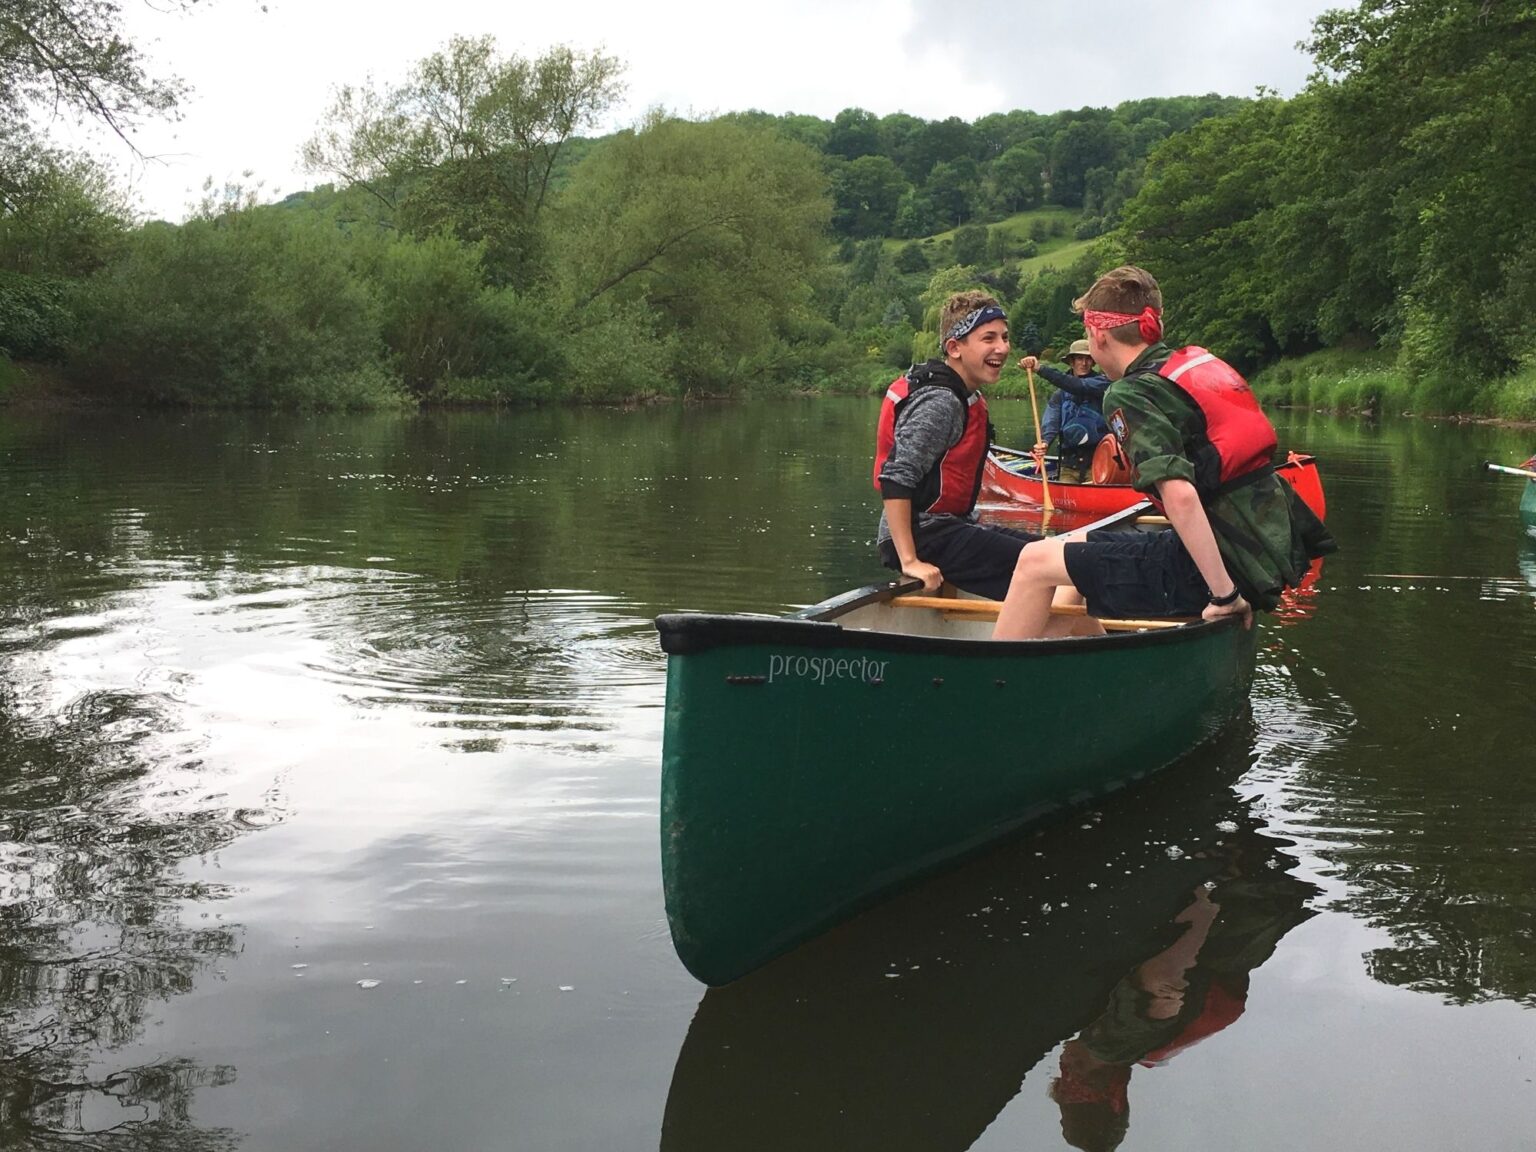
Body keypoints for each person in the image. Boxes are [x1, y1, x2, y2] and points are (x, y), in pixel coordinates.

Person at [992, 266, 1336, 640]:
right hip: (1260, 550)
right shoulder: (1184, 366)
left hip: (1224, 569)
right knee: (1068, 566)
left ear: (1098, 335)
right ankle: (1094, 663)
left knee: (1032, 562)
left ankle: (994, 688)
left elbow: (1181, 496)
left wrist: (1225, 596)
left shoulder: (1128, 393)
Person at [874, 290, 1039, 599]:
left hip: (949, 528)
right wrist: (910, 561)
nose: (1002, 348)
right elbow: (895, 478)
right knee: (1048, 566)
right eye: (989, 338)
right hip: (924, 535)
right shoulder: (942, 401)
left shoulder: (968, 395)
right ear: (954, 347)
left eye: (1005, 337)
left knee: (1052, 554)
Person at [1023, 339, 1110, 482]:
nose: (1084, 363)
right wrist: (1044, 442)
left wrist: (1040, 369)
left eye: (1088, 359)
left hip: (1098, 462)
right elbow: (1051, 421)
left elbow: (1078, 386)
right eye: (1080, 358)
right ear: (1071, 362)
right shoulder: (1060, 395)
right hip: (1069, 464)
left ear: (1093, 362)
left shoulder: (1102, 385)